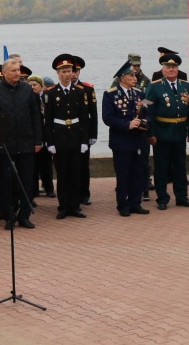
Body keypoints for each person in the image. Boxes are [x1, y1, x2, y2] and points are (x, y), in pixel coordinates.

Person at [0, 58, 43, 229]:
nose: (17, 73)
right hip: (4, 145)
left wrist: (38, 140)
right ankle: (9, 216)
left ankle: (24, 215)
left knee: (26, 181)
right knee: (5, 182)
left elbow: (35, 115)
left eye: (18, 70)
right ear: (4, 73)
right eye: (13, 70)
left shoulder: (26, 89)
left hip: (26, 142)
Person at [145, 52, 189, 210]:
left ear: (178, 69)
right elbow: (146, 110)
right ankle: (162, 198)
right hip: (161, 133)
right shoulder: (153, 87)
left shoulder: (186, 86)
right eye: (168, 67)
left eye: (174, 67)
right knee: (161, 168)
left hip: (180, 132)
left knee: (180, 167)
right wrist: (151, 133)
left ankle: (182, 197)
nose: (171, 69)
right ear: (162, 69)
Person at [102, 60, 151, 217]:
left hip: (139, 140)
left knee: (139, 172)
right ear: (122, 77)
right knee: (123, 174)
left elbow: (149, 109)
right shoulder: (110, 94)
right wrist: (127, 124)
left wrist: (145, 122)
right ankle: (123, 204)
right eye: (131, 75)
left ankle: (136, 203)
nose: (135, 77)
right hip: (121, 141)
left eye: (135, 75)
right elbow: (107, 118)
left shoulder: (140, 93)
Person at [44, 54, 89, 220]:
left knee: (76, 173)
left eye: (69, 71)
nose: (67, 74)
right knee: (62, 174)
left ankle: (75, 206)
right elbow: (47, 121)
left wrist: (85, 140)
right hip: (59, 137)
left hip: (76, 136)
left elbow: (85, 119)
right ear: (58, 73)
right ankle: (63, 206)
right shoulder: (50, 93)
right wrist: (49, 142)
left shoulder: (80, 92)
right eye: (63, 71)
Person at [70, 60, 98, 206]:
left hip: (83, 132)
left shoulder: (87, 89)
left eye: (76, 71)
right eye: (71, 71)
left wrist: (93, 135)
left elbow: (93, 113)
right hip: (68, 133)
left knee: (83, 165)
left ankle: (84, 194)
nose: (73, 74)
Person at [27, 74, 55, 199]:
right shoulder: (28, 99)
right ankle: (34, 190)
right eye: (30, 85)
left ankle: (49, 188)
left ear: (41, 86)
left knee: (46, 164)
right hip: (32, 137)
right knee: (33, 165)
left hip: (45, 135)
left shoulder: (48, 98)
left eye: (35, 85)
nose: (33, 87)